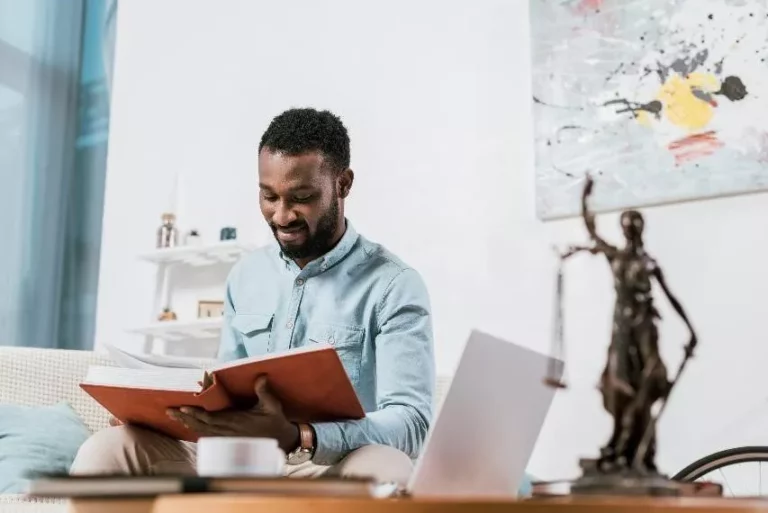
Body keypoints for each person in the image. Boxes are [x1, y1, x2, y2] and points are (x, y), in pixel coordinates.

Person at [71, 108, 435, 486]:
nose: (281, 215)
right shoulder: (246, 275)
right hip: (237, 459)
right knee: (108, 449)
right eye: (268, 196)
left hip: (327, 465)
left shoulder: (393, 285)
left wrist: (302, 436)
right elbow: (226, 389)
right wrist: (160, 414)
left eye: (301, 197)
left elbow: (411, 421)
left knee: (386, 468)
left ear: (343, 184)